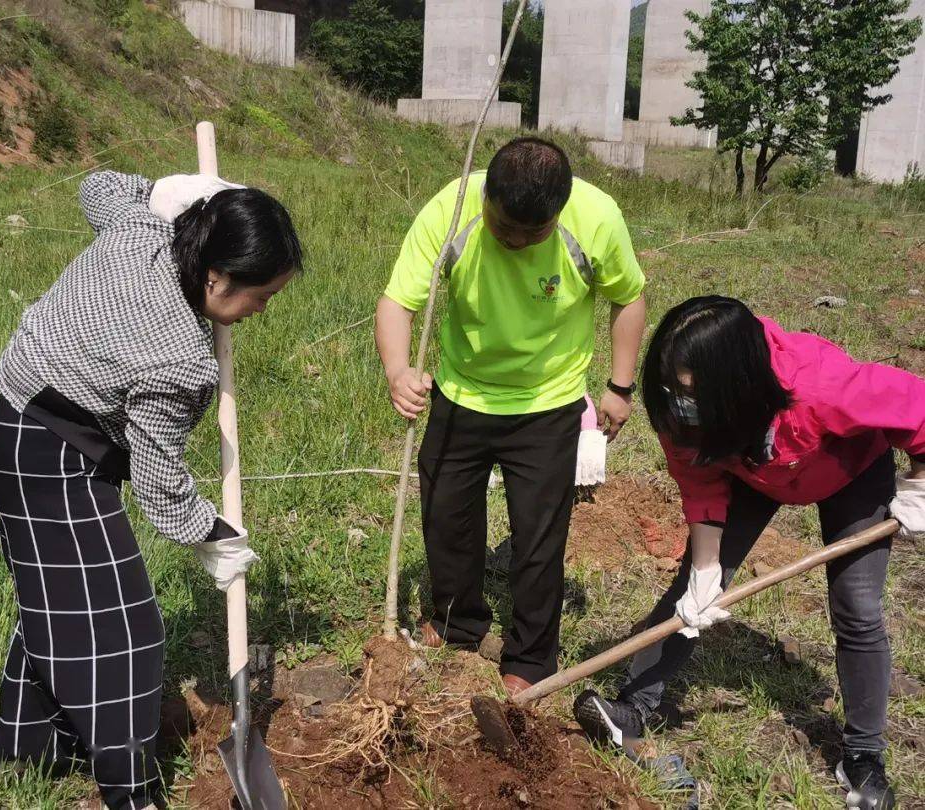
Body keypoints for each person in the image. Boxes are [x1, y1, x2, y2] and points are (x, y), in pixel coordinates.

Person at [0, 170, 303, 810]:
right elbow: (160, 483)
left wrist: (162, 188)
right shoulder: (179, 357)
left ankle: (25, 751)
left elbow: (99, 187)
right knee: (126, 631)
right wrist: (212, 533)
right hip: (44, 455)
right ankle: (132, 794)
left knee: (61, 601)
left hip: (17, 414)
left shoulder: (144, 232)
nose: (263, 310)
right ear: (216, 278)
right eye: (261, 296)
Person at [574, 297, 925, 810]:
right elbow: (700, 486)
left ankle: (864, 757)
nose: (679, 403)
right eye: (674, 388)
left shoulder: (824, 387)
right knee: (692, 591)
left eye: (692, 393)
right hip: (752, 469)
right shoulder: (684, 417)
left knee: (858, 608)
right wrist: (706, 568)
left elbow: (917, 407)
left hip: (849, 470)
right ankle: (635, 707)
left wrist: (921, 479)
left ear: (738, 382)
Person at [375, 137, 647, 696]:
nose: (518, 242)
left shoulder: (595, 218)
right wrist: (399, 371)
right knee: (447, 516)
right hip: (461, 393)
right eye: (505, 228)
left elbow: (630, 297)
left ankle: (529, 655)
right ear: (486, 202)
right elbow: (398, 302)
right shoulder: (453, 210)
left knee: (539, 536)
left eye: (534, 233)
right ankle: (456, 624)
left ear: (559, 212)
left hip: (548, 404)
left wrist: (620, 387)